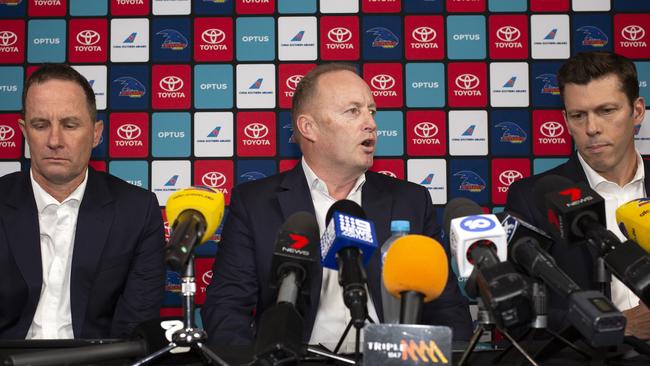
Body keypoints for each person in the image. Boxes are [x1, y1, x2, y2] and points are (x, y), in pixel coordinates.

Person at [201, 63, 473, 349]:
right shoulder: (255, 203)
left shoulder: (410, 201)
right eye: (353, 111)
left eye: (372, 111)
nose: (370, 123)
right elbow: (226, 309)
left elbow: (447, 310)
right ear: (309, 128)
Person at [0, 64, 166, 339]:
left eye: (70, 124)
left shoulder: (136, 211)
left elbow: (134, 328)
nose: (54, 140)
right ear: (24, 131)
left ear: (96, 133)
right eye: (40, 125)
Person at [506, 52, 650, 339]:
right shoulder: (532, 196)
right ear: (566, 120)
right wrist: (618, 325)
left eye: (607, 110)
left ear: (637, 111)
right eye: (578, 115)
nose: (592, 128)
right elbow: (517, 309)